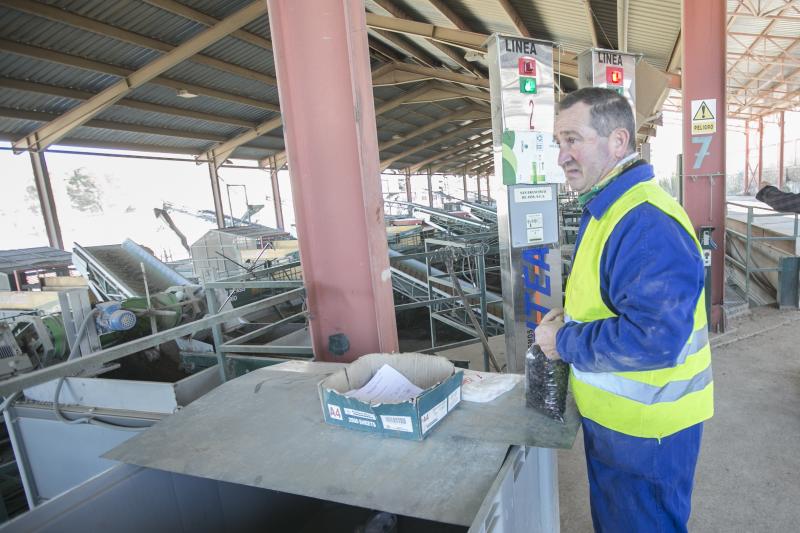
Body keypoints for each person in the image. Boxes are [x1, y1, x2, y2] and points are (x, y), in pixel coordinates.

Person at [534, 87, 713, 533]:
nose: (562, 156)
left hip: (647, 434)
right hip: (620, 425)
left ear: (617, 141)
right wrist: (568, 317)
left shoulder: (645, 222)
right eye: (559, 142)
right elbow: (611, 300)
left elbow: (654, 339)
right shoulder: (609, 209)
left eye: (573, 139)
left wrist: (563, 341)